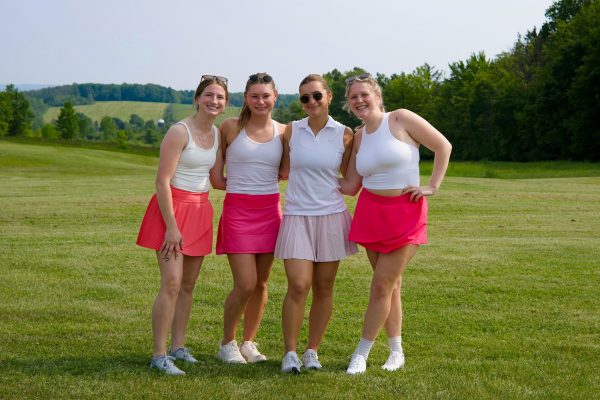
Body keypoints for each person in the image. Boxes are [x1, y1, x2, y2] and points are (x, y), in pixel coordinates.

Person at [339, 73, 452, 375]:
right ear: (348, 104)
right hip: (371, 213)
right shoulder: (359, 136)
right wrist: (306, 173)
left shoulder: (400, 119)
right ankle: (396, 351)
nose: (359, 101)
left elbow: (443, 146)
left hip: (406, 213)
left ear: (376, 95)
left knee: (380, 286)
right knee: (390, 286)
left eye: (364, 94)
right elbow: (351, 185)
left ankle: (360, 354)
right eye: (353, 97)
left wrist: (432, 186)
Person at [136, 75, 228, 375]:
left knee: (188, 285)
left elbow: (216, 180)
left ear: (225, 104)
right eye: (209, 95)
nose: (214, 101)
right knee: (172, 283)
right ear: (198, 98)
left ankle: (178, 347)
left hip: (200, 209)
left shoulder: (216, 135)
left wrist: (258, 181)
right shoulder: (179, 131)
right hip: (172, 210)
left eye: (220, 97)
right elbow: (162, 181)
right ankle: (159, 354)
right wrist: (172, 227)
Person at [276, 74, 357, 373]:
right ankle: (290, 354)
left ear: (329, 97)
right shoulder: (290, 131)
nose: (311, 102)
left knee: (324, 288)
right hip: (297, 215)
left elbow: (348, 179)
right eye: (304, 98)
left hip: (331, 217)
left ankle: (312, 351)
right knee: (298, 285)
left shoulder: (346, 134)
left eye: (316, 96)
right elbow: (282, 169)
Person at [212, 72, 286, 364]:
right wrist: (245, 187)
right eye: (254, 96)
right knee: (245, 283)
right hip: (238, 212)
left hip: (270, 212)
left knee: (262, 283)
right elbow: (217, 179)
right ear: (245, 98)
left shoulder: (284, 131)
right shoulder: (229, 128)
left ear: (275, 97)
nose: (260, 101)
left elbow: (286, 171)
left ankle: (248, 343)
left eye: (265, 96)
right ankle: (227, 343)